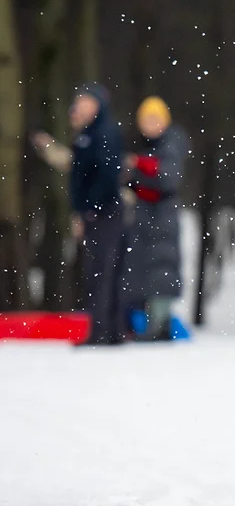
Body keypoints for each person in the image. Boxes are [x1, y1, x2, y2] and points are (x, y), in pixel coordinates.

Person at [68, 83, 127, 346]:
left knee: (100, 271)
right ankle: (110, 329)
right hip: (97, 210)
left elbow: (107, 173)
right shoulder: (88, 133)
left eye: (85, 101)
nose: (80, 106)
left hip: (104, 211)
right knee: (102, 271)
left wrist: (92, 207)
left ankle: (103, 331)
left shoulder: (102, 133)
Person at [124, 96, 187, 341]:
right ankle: (146, 324)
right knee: (142, 271)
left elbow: (167, 178)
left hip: (163, 218)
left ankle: (160, 325)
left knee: (163, 271)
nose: (150, 125)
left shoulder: (172, 144)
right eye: (146, 120)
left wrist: (139, 168)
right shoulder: (139, 145)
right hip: (144, 218)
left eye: (155, 119)